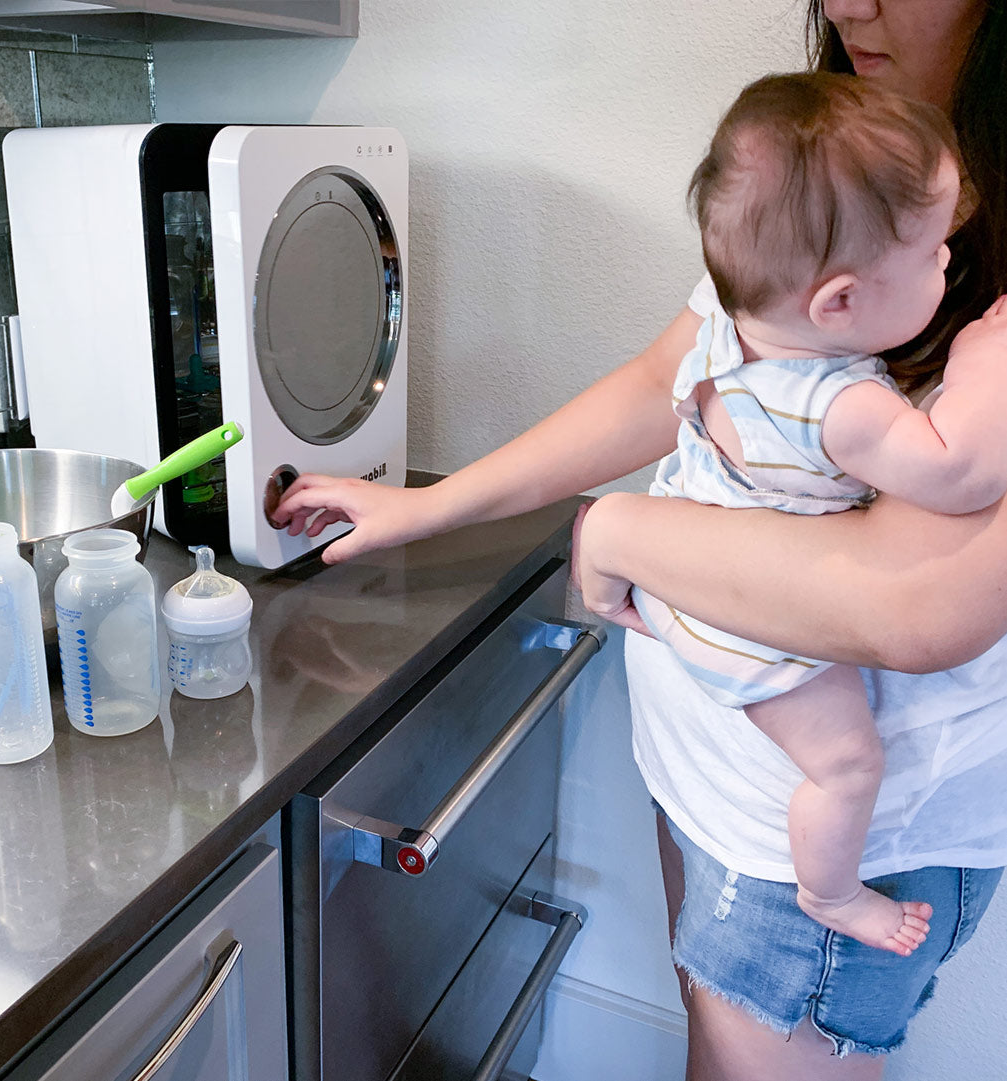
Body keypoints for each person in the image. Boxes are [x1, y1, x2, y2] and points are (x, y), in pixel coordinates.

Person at [272, 2, 1007, 1077]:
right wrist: (429, 503)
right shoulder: (818, 185)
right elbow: (663, 377)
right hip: (724, 773)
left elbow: (918, 601)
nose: (849, 4)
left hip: (830, 844)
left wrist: (620, 529)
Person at [627, 69, 1007, 959]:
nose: (947, 263)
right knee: (845, 765)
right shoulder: (838, 405)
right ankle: (832, 892)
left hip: (691, 591)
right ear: (837, 301)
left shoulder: (732, 332)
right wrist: (984, 361)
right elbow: (955, 472)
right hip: (762, 641)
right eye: (930, 256)